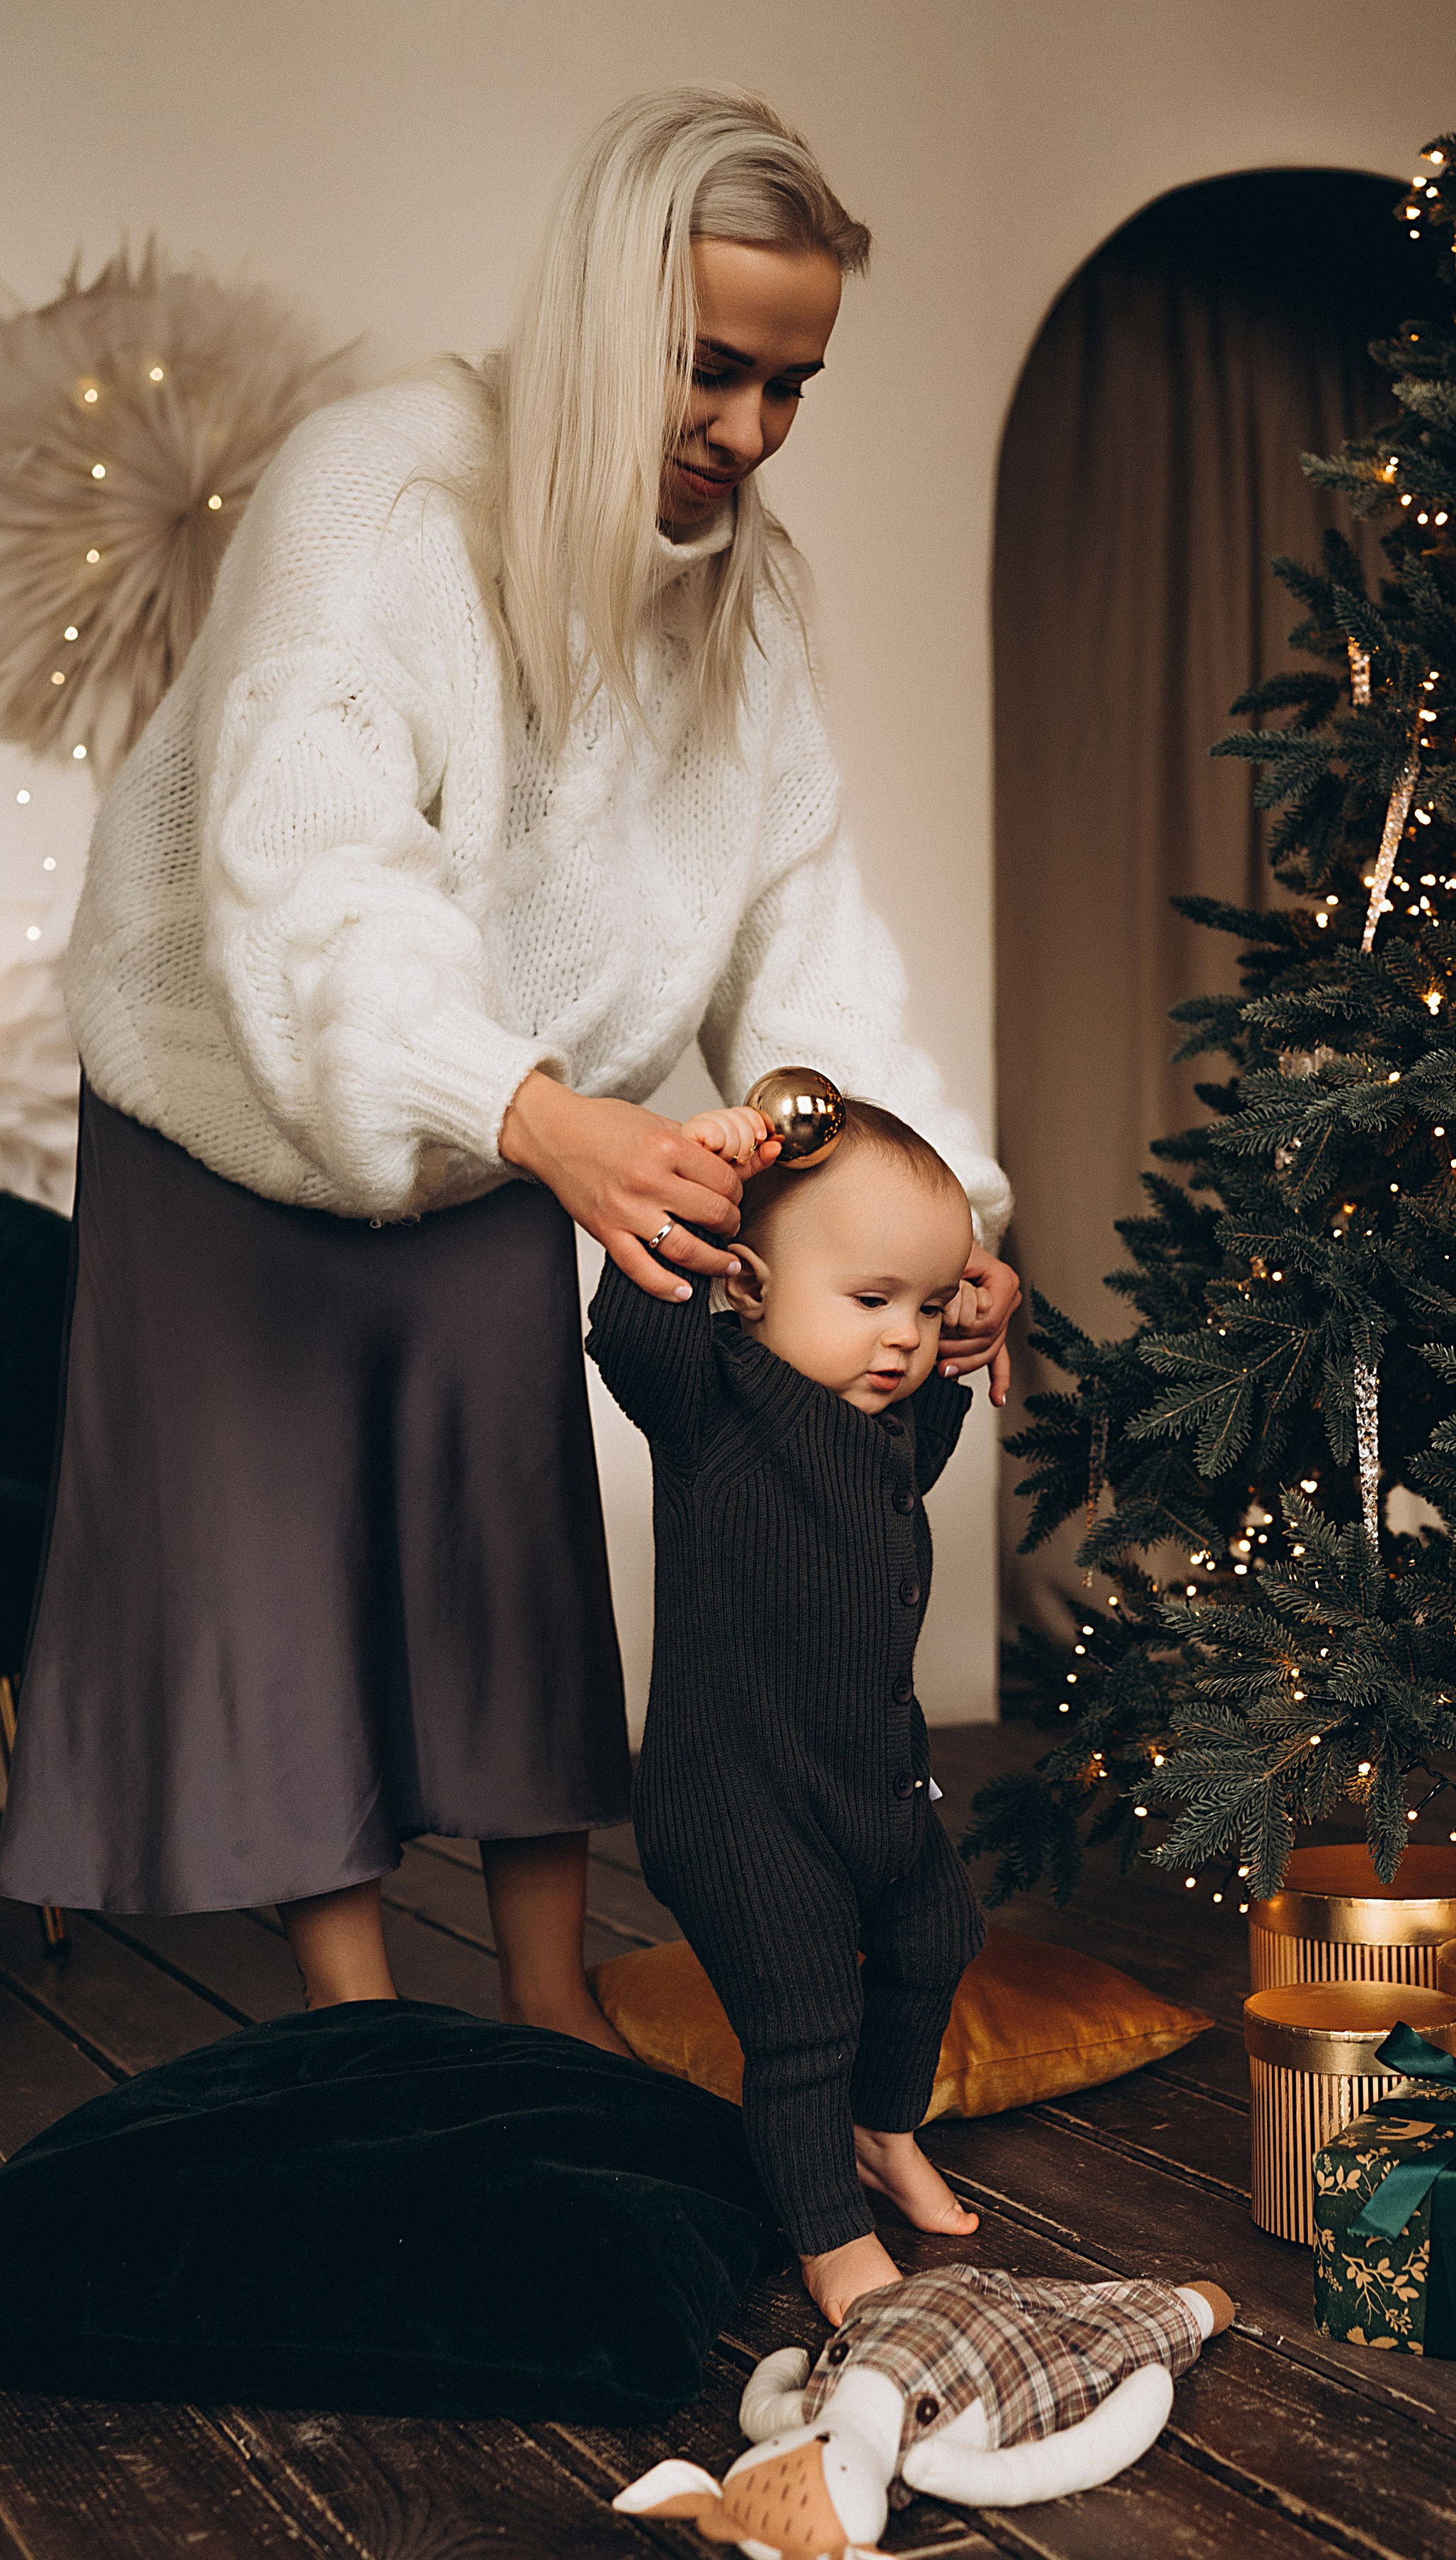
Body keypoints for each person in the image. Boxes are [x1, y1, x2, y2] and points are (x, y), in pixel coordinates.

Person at [0, 88, 1016, 2042]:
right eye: (711, 368)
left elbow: (802, 927)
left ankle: (551, 2010)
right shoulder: (375, 495)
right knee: (279, 1577)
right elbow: (316, 882)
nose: (750, 432)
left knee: (510, 1554)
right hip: (243, 1103)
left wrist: (939, 1217)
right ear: (602, 313)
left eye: (792, 385)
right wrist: (534, 1111)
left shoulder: (747, 601)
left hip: (515, 1122)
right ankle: (369, 2033)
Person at [588, 1096, 987, 2324]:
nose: (903, 1337)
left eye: (928, 1308)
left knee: (939, 1938)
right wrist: (696, 1202)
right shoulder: (708, 1405)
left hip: (871, 1785)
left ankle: (882, 2130)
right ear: (749, 1286)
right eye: (871, 1300)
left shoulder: (885, 1418)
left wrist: (965, 1338)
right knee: (807, 2018)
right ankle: (826, 2232)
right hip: (738, 1806)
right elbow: (633, 1328)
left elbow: (922, 1432)